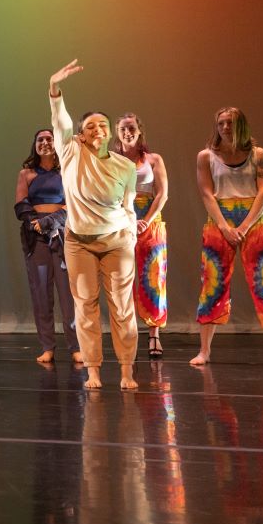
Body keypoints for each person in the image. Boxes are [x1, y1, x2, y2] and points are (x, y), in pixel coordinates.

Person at [46, 60, 138, 390]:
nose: (97, 130)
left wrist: (131, 233)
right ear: (81, 134)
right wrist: (55, 88)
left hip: (116, 240)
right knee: (85, 307)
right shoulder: (69, 152)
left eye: (103, 125)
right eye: (90, 126)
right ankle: (94, 371)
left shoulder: (126, 166)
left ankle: (127, 371)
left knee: (123, 307)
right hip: (79, 241)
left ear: (110, 131)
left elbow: (129, 207)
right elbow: (60, 121)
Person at [193, 107, 263, 364]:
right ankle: (204, 351)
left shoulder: (258, 155)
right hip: (220, 220)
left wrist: (243, 227)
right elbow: (207, 194)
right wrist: (224, 227)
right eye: (221, 123)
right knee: (212, 282)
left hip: (252, 220)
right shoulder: (206, 156)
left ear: (241, 125)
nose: (225, 127)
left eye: (230, 123)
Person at [14, 129, 81, 363]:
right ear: (35, 145)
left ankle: (75, 346)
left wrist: (52, 221)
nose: (45, 142)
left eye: (49, 139)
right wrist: (37, 224)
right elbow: (21, 204)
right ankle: (48, 347)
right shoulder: (27, 173)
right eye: (40, 139)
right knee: (41, 292)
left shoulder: (67, 171)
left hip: (62, 233)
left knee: (67, 294)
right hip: (36, 235)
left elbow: (73, 203)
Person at [112, 114, 169, 358]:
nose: (127, 132)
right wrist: (128, 219)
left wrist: (146, 220)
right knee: (122, 280)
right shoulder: (112, 160)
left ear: (139, 131)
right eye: (123, 129)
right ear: (117, 132)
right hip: (121, 223)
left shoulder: (153, 159)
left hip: (150, 224)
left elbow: (162, 193)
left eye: (131, 128)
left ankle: (154, 334)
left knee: (153, 279)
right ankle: (127, 334)